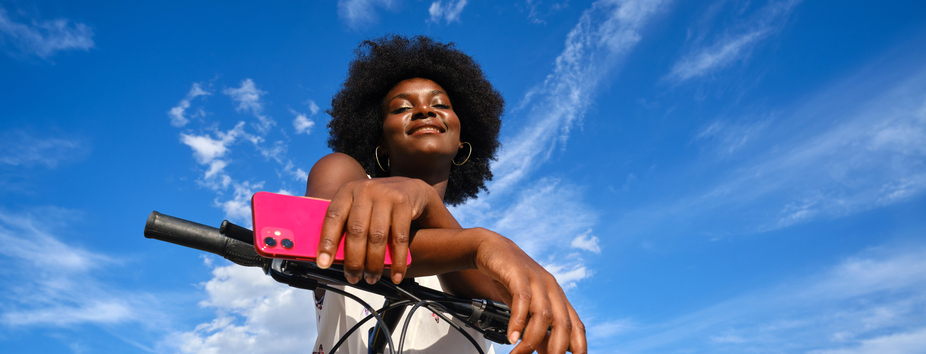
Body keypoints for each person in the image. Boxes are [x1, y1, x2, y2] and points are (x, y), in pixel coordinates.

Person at [306, 35, 586, 354]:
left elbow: (487, 285)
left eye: (440, 105)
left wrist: (439, 213)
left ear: (461, 143)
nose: (425, 111)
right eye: (402, 108)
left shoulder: (482, 250)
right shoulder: (344, 175)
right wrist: (476, 244)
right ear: (380, 142)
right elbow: (318, 239)